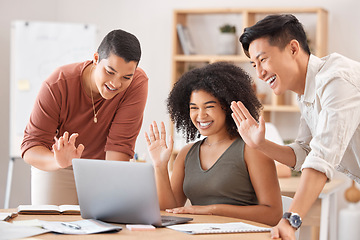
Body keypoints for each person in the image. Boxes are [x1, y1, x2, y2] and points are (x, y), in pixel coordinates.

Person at [232, 14, 360, 239]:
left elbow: (321, 156)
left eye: (263, 59)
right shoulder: (305, 93)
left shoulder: (336, 80)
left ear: (293, 49)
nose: (259, 73)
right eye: (254, 64)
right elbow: (304, 152)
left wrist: (291, 220)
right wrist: (260, 144)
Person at [145, 62, 282, 226]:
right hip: (197, 235)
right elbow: (170, 210)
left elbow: (273, 214)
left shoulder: (252, 149)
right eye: (194, 108)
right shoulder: (186, 153)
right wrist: (160, 166)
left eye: (209, 106)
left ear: (227, 107)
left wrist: (212, 210)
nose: (201, 115)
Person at [21, 29, 148, 205]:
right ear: (96, 59)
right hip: (57, 166)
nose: (116, 84)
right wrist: (58, 161)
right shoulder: (58, 84)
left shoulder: (136, 84)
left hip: (102, 166)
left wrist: (111, 196)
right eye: (110, 72)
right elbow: (31, 147)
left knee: (106, 225)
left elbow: (119, 146)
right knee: (52, 226)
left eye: (126, 77)